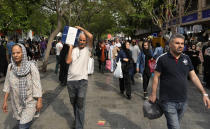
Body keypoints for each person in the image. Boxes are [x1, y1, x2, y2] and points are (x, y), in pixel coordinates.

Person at [149, 34, 210, 129]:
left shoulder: (186, 58)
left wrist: (204, 93)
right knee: (175, 126)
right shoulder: (162, 59)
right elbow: (156, 77)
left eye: (182, 43)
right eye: (177, 43)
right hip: (167, 101)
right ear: (170, 44)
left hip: (183, 101)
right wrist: (153, 94)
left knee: (174, 124)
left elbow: (193, 76)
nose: (180, 45)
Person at [2, 43, 43, 129]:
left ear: (23, 53)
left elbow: (37, 85)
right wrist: (5, 101)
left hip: (29, 102)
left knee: (22, 126)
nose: (15, 55)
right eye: (13, 53)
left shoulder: (31, 66)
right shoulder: (10, 67)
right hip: (16, 103)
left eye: (18, 52)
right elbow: (7, 85)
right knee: (22, 124)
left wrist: (39, 100)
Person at [66, 26, 93, 129]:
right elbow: (68, 61)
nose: (82, 42)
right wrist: (70, 47)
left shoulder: (88, 49)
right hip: (71, 81)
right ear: (78, 40)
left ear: (86, 42)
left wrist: (81, 28)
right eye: (80, 40)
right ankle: (77, 120)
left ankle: (79, 126)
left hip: (82, 81)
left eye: (84, 40)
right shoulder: (73, 49)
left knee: (80, 104)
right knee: (74, 104)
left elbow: (91, 36)